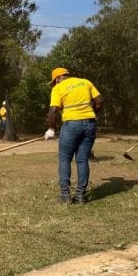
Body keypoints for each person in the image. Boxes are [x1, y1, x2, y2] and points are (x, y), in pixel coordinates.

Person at [44, 67, 103, 204]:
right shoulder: (85, 82)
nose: (54, 84)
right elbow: (100, 101)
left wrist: (51, 129)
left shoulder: (58, 88)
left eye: (54, 82)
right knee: (82, 160)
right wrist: (90, 115)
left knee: (65, 159)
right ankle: (80, 196)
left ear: (58, 78)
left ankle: (65, 196)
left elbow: (53, 110)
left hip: (71, 125)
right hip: (90, 124)